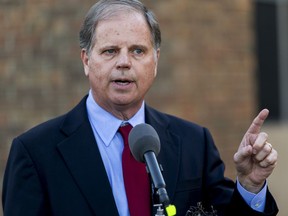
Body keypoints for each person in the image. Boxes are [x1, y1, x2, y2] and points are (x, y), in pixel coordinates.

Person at [2, 0, 278, 215]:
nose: (124, 62)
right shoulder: (35, 153)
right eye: (110, 51)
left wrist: (249, 185)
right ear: (86, 60)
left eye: (138, 51)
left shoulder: (195, 142)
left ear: (155, 60)